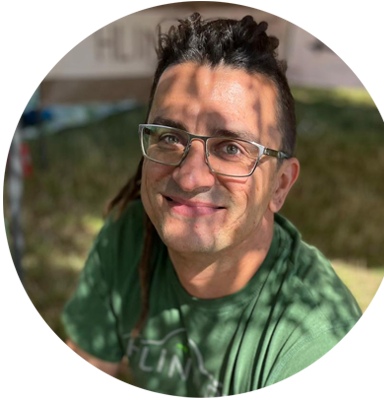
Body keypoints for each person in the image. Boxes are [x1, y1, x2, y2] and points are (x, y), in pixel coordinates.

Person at [61, 13, 362, 398]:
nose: (190, 178)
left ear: (280, 185)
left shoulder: (319, 342)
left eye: (231, 148)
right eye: (170, 137)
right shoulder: (129, 236)